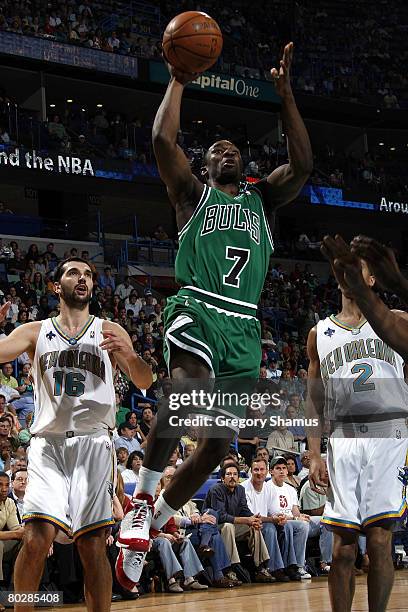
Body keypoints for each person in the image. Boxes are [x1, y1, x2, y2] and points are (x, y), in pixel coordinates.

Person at [122, 41, 312, 587]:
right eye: (217, 149)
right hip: (199, 307)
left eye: (234, 148)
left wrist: (286, 97)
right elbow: (162, 139)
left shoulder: (263, 201)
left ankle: (152, 526)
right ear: (205, 165)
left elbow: (303, 163)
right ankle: (141, 499)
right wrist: (178, 78)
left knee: (214, 450)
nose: (227, 151)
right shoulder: (190, 195)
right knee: (186, 393)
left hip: (245, 328)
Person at [0, 256, 152, 612]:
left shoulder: (110, 330)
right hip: (48, 444)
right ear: (56, 286)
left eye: (87, 274)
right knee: (36, 539)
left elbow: (144, 381)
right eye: (73, 273)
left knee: (92, 544)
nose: (82, 278)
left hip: (94, 443)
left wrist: (130, 355)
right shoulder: (35, 331)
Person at [306, 240, 408, 612]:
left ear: (372, 277)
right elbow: (314, 400)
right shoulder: (320, 333)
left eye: (357, 266)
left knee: (381, 541)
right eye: (342, 266)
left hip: (390, 433)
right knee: (342, 548)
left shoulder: (397, 320)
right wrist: (313, 451)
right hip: (344, 438)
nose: (348, 272)